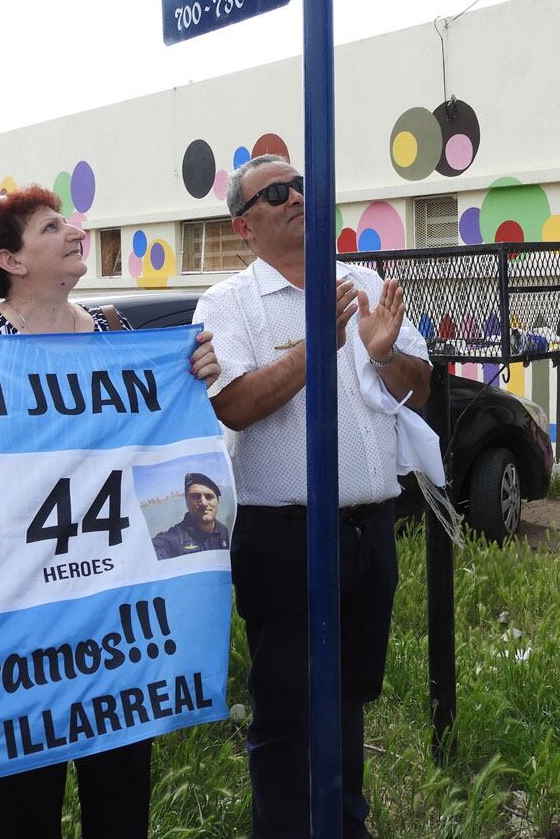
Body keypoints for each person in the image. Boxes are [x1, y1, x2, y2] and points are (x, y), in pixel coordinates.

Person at [0, 184, 219, 839]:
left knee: (120, 796)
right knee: (25, 805)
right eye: (52, 227)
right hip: (21, 621)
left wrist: (193, 372)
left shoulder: (115, 332)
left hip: (115, 614)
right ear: (14, 261)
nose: (74, 230)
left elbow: (157, 447)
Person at [194, 154, 432, 839]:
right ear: (245, 226)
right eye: (276, 191)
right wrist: (314, 348)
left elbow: (419, 388)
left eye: (301, 184)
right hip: (284, 537)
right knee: (285, 711)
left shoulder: (363, 281)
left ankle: (344, 823)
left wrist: (384, 354)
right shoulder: (229, 303)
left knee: (348, 700)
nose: (296, 195)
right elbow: (235, 403)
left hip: (369, 530)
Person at [151, 471, 230, 559]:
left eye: (209, 496)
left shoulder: (227, 532)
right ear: (186, 502)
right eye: (195, 496)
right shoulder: (174, 539)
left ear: (217, 501)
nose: (203, 503)